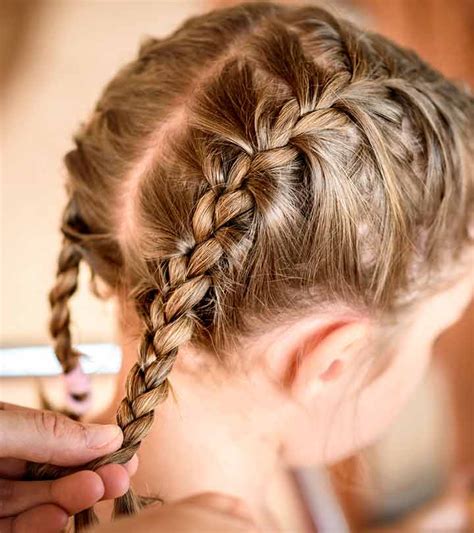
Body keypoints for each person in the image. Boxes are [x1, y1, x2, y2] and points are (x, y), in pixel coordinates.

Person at [26, 1, 473, 531]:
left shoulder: (268, 441)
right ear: (329, 361)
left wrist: (440, 518)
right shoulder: (278, 449)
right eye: (431, 336)